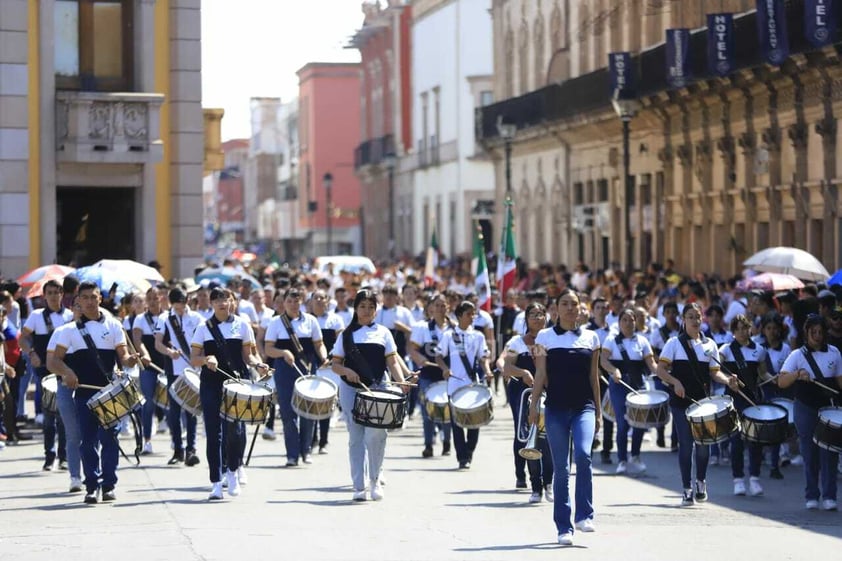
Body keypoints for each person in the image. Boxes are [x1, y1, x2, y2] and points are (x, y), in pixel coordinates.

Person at [46, 281, 137, 504]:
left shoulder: (115, 325)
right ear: (78, 301)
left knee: (110, 440)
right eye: (84, 297)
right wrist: (67, 372)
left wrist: (131, 360)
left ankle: (108, 485)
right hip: (85, 394)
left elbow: (123, 357)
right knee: (87, 442)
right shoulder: (68, 331)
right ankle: (91, 486)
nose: (89, 301)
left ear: (100, 299)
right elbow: (53, 361)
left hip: (110, 393)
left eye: (93, 297)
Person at [529, 289, 601, 546]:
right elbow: (540, 374)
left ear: (582, 308)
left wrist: (600, 413)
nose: (570, 308)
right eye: (565, 303)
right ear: (556, 309)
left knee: (583, 456)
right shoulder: (544, 336)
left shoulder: (592, 338)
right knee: (561, 468)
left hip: (585, 408)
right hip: (556, 409)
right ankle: (564, 527)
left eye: (574, 304)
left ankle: (584, 515)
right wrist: (534, 406)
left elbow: (594, 378)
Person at [656, 302, 740, 507]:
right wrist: (675, 382)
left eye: (698, 316)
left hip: (703, 401)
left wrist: (728, 380)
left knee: (704, 446)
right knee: (686, 444)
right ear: (683, 320)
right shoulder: (674, 343)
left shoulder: (710, 344)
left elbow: (714, 372)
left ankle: (701, 481)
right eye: (690, 317)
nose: (695, 320)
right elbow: (660, 370)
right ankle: (686, 488)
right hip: (680, 401)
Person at [190, 287, 268, 501]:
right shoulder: (203, 327)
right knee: (214, 433)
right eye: (217, 300)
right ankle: (216, 481)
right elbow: (193, 358)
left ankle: (232, 471)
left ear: (233, 301)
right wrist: (206, 359)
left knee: (234, 430)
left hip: (236, 383)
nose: (222, 302)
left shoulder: (242, 325)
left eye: (226, 298)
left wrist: (259, 364)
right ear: (212, 304)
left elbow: (249, 356)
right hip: (211, 384)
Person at [330, 288, 408, 501]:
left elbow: (392, 360)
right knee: (356, 437)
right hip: (350, 389)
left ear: (376, 310)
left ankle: (374, 480)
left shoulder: (383, 332)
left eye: (371, 307)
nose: (366, 311)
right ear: (355, 309)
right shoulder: (346, 335)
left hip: (378, 388)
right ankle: (358, 485)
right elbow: (335, 364)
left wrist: (401, 381)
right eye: (362, 306)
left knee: (376, 435)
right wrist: (347, 371)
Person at [779, 314, 842, 511]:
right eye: (812, 331)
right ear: (806, 333)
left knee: (829, 452)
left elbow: (840, 382)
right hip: (805, 407)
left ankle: (830, 496)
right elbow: (781, 382)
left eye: (820, 331)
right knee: (809, 452)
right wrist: (797, 374)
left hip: (829, 408)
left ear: (824, 333)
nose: (816, 335)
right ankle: (812, 494)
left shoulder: (834, 353)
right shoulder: (797, 355)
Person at [264, 288, 326, 467]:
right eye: (289, 301)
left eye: (296, 301)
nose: (293, 305)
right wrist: (283, 352)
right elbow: (268, 348)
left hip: (307, 367)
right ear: (284, 303)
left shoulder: (311, 320)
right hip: (284, 368)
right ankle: (292, 454)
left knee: (308, 410)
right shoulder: (276, 322)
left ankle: (305, 450)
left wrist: (324, 357)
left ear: (302, 302)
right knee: (287, 412)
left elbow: (319, 344)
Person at [19, 280, 74, 471]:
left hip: (64, 370)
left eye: (56, 292)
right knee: (49, 414)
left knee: (64, 415)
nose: (52, 296)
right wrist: (31, 353)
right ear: (44, 296)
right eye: (49, 293)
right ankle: (49, 456)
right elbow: (22, 338)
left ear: (61, 294)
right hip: (44, 371)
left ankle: (64, 456)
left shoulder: (69, 316)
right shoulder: (36, 316)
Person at [504, 302, 554, 503]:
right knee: (528, 436)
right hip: (523, 394)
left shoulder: (552, 339)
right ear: (526, 319)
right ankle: (533, 483)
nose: (538, 317)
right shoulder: (517, 342)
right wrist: (523, 372)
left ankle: (548, 483)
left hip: (548, 392)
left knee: (548, 438)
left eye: (541, 314)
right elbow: (507, 368)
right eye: (533, 314)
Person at [600, 307, 658, 475]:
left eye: (631, 320)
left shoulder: (642, 341)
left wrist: (664, 373)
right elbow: (603, 360)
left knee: (640, 422)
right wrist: (613, 370)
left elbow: (651, 364)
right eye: (624, 320)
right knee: (623, 423)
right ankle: (622, 460)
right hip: (619, 385)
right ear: (619, 323)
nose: (628, 323)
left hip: (638, 385)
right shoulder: (611, 340)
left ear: (636, 322)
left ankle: (636, 456)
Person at [436, 301, 493, 469]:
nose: (472, 317)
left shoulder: (478, 336)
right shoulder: (448, 335)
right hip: (454, 385)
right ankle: (462, 457)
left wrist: (488, 371)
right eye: (469, 314)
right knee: (457, 424)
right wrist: (445, 369)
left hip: (472, 385)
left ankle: (470, 451)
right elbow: (438, 356)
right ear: (459, 316)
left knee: (475, 422)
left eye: (473, 314)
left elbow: (483, 358)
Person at [719, 314, 768, 497]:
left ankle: (755, 478)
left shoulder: (760, 350)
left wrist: (777, 378)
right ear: (733, 332)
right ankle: (738, 479)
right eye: (738, 329)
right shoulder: (726, 350)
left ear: (750, 329)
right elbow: (715, 369)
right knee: (737, 441)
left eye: (745, 328)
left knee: (755, 440)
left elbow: (763, 374)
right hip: (733, 399)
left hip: (753, 399)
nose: (742, 332)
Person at [154, 287, 204, 467]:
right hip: (173, 370)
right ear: (171, 304)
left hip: (193, 371)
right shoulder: (164, 318)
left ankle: (191, 449)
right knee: (174, 413)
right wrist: (169, 352)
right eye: (177, 306)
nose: (181, 309)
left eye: (183, 305)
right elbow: (158, 343)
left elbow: (204, 341)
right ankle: (177, 449)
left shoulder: (197, 318)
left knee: (191, 411)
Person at [409, 293, 453, 458]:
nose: (441, 309)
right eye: (437, 306)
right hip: (428, 374)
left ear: (448, 308)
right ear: (431, 308)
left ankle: (447, 442)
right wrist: (420, 358)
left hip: (448, 375)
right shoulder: (422, 327)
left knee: (447, 410)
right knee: (428, 411)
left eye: (444, 306)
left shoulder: (454, 328)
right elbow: (412, 349)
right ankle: (428, 444)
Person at [132, 286, 167, 454]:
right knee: (148, 402)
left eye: (155, 298)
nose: (153, 301)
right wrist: (144, 354)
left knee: (172, 402)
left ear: (161, 298)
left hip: (167, 364)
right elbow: (137, 340)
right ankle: (147, 440)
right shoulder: (140, 319)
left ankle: (177, 442)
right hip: (148, 365)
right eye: (150, 298)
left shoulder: (168, 317)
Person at [310, 289, 344, 453]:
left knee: (326, 403)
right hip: (311, 366)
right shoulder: (306, 320)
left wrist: (331, 359)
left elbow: (340, 342)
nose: (318, 301)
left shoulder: (335, 320)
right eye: (315, 298)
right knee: (312, 403)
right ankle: (312, 439)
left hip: (329, 367)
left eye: (322, 298)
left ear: (328, 301)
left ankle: (323, 440)